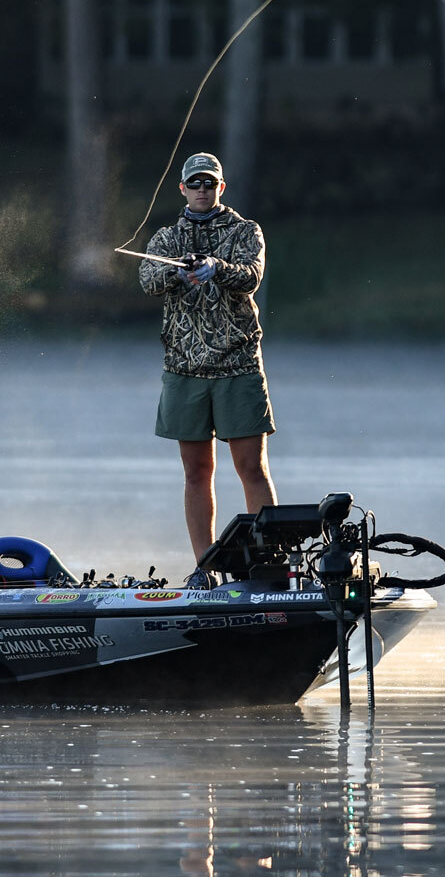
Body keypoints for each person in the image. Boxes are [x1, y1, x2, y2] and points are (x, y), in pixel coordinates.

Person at [138, 152, 277, 580]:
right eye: (194, 183)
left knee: (251, 467)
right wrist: (178, 273)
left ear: (222, 187)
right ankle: (206, 565)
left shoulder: (244, 231)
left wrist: (217, 268)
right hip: (183, 370)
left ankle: (267, 560)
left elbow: (252, 274)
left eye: (209, 183)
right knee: (197, 472)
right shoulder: (167, 239)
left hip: (237, 366)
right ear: (182, 189)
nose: (202, 189)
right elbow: (147, 279)